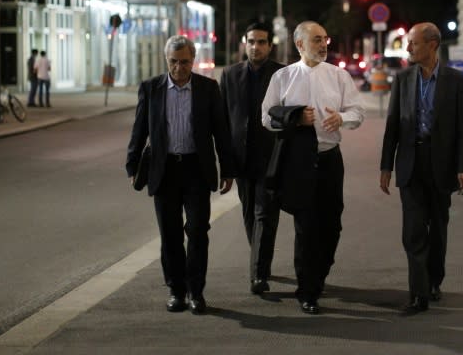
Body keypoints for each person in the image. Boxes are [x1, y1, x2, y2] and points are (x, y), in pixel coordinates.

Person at [126, 35, 237, 315]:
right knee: (170, 235)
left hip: (196, 169)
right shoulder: (151, 88)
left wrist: (228, 169)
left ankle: (196, 292)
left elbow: (221, 132)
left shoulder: (208, 89)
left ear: (193, 60)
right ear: (167, 60)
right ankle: (176, 290)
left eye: (185, 62)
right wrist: (132, 165)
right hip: (164, 171)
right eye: (173, 62)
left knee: (198, 230)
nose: (179, 68)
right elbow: (140, 129)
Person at [262, 21, 365, 314]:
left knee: (332, 224)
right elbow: (266, 118)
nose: (323, 45)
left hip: (331, 157)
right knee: (306, 227)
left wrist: (341, 119)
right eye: (317, 40)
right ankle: (307, 290)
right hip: (299, 160)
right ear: (300, 45)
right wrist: (296, 119)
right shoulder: (283, 77)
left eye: (325, 39)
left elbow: (358, 111)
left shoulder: (339, 75)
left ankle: (318, 275)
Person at [379, 22, 463, 314]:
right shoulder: (403, 79)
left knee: (437, 228)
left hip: (442, 165)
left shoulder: (457, 81)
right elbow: (392, 125)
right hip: (410, 163)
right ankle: (418, 294)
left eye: (414, 43)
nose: (408, 48)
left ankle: (434, 280)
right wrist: (386, 166)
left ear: (432, 45)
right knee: (413, 231)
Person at [219, 21, 285, 295]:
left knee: (265, 215)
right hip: (241, 158)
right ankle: (260, 260)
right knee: (249, 214)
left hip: (272, 158)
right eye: (251, 41)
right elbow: (222, 122)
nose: (255, 46)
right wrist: (226, 166)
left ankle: (258, 273)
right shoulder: (230, 74)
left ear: (270, 45)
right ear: (244, 44)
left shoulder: (282, 74)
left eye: (261, 42)